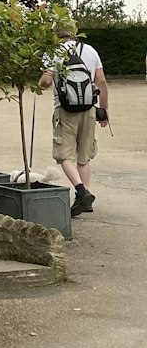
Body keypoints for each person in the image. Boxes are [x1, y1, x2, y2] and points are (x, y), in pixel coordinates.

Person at [39, 36, 109, 217]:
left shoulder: (52, 52)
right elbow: (101, 81)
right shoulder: (90, 50)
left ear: (56, 36)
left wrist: (40, 83)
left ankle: (82, 192)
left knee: (64, 155)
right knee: (84, 156)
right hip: (88, 108)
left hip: (65, 109)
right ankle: (84, 200)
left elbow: (46, 82)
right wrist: (103, 110)